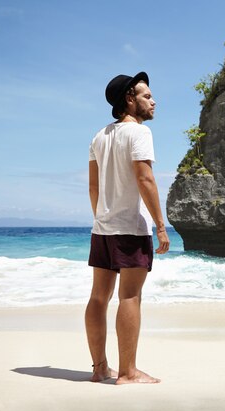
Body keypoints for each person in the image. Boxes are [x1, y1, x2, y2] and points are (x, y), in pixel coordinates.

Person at [86, 71, 169, 384]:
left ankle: (98, 369)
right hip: (130, 228)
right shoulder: (139, 134)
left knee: (98, 298)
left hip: (102, 228)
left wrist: (101, 218)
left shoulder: (98, 136)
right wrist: (161, 226)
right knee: (130, 297)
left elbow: (93, 187)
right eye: (147, 96)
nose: (153, 101)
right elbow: (144, 178)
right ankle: (128, 372)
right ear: (129, 100)